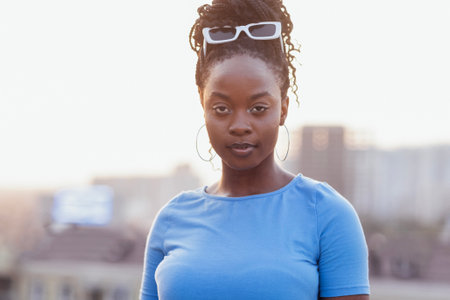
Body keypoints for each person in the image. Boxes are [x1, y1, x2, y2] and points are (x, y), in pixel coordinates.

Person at [140, 0, 370, 299]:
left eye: (258, 108)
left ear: (283, 108)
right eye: (221, 108)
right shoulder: (172, 218)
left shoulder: (326, 214)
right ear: (203, 104)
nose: (239, 125)